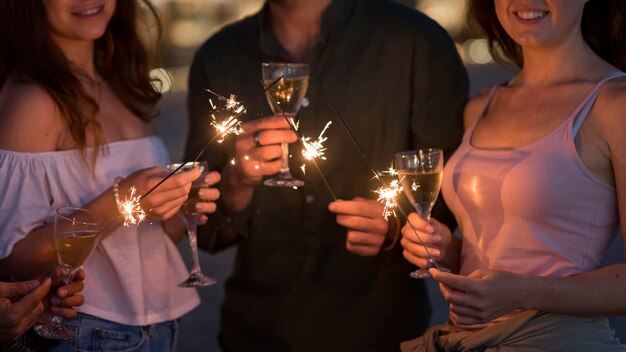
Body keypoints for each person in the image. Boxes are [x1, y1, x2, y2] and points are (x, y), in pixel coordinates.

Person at [185, 0, 468, 350]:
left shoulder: (415, 42)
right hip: (254, 331)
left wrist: (395, 226)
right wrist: (236, 180)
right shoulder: (219, 56)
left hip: (379, 331)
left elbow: (453, 187)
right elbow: (200, 222)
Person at [399, 0, 626, 350]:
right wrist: (447, 249)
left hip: (556, 341)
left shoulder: (614, 104)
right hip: (462, 339)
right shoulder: (482, 105)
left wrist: (521, 292)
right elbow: (507, 253)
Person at [0, 0, 220, 350]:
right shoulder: (31, 100)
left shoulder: (128, 89)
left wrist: (181, 204)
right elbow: (14, 257)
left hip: (160, 328)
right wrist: (123, 199)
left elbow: (153, 237)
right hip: (83, 330)